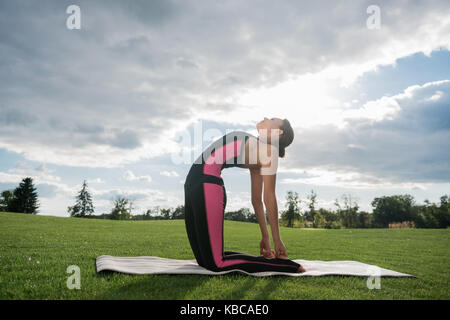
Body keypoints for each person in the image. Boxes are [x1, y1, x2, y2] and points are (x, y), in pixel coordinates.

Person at [184, 117, 306, 273]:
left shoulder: (270, 152)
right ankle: (265, 260)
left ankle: (287, 266)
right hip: (192, 184)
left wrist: (277, 240)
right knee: (203, 260)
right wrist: (265, 238)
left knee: (215, 264)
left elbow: (268, 198)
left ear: (278, 132)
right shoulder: (257, 149)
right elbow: (256, 201)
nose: (266, 118)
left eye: (273, 119)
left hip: (207, 184)